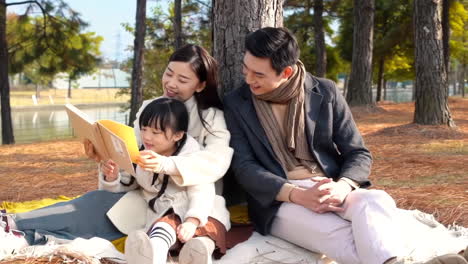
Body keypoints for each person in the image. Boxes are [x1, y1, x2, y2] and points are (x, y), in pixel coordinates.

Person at [223, 27, 468, 264]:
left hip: (331, 186)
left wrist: (343, 186)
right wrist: (297, 194)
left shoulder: (325, 91)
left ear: (286, 72)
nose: (248, 79)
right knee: (343, 235)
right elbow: (245, 168)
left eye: (258, 74)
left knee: (376, 200)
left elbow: (358, 153)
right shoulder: (237, 102)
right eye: (246, 69)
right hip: (279, 200)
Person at [0, 44, 233, 264]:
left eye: (182, 79)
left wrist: (167, 164)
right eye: (169, 73)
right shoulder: (150, 108)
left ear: (200, 85)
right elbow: (131, 159)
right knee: (89, 204)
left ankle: (18, 230)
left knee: (93, 222)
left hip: (193, 204)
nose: (171, 83)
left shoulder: (211, 118)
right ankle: (12, 224)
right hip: (143, 199)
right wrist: (107, 164)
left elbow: (217, 162)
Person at [100, 97, 229, 264]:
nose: (147, 136)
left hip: (197, 210)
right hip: (165, 212)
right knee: (165, 226)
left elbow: (202, 191)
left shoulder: (192, 156)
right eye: (144, 129)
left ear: (177, 135)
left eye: (155, 132)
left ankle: (195, 251)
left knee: (205, 232)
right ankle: (157, 251)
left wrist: (192, 221)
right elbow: (134, 182)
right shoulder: (143, 151)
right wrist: (112, 178)